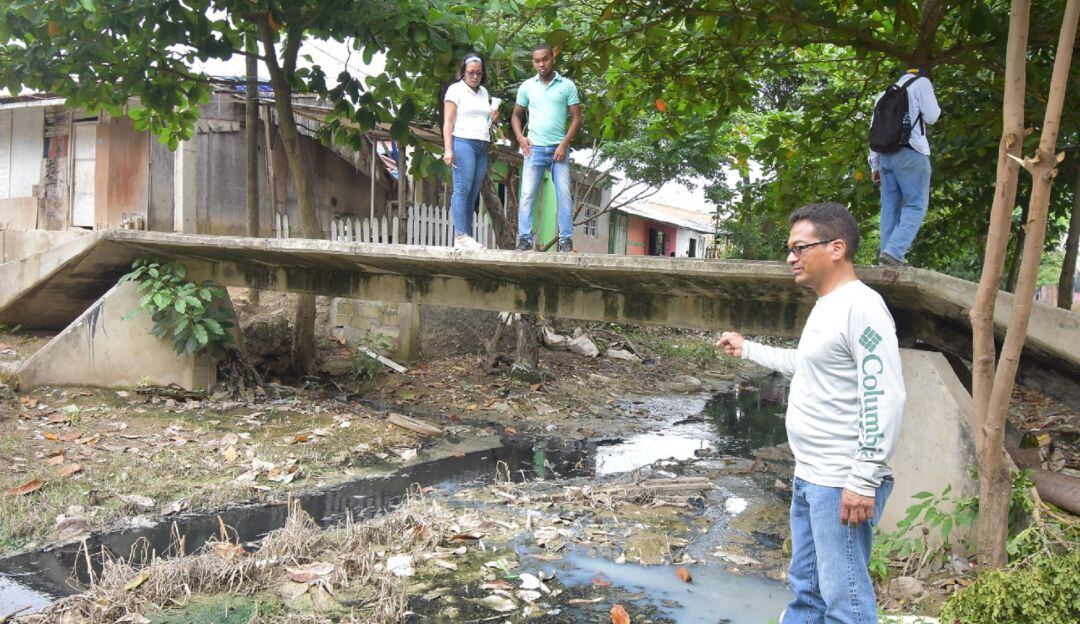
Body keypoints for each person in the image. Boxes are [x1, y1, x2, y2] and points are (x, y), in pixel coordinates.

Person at [717, 203, 905, 624]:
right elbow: (806, 364)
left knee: (846, 605)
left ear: (836, 248)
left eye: (799, 248)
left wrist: (863, 478)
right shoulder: (828, 305)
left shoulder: (863, 307)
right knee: (808, 594)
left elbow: (885, 395)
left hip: (840, 481)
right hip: (811, 475)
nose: (791, 258)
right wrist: (748, 349)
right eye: (790, 249)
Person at [511, 43, 582, 252]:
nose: (541, 64)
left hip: (558, 150)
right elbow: (516, 115)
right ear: (533, 62)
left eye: (545, 59)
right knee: (527, 195)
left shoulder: (567, 85)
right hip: (534, 149)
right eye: (537, 61)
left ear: (553, 59)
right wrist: (520, 138)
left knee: (564, 195)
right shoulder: (527, 86)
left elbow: (577, 118)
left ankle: (565, 240)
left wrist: (564, 144)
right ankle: (524, 239)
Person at [869, 66, 940, 266]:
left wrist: (874, 165)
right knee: (916, 205)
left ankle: (885, 260)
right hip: (911, 153)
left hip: (885, 157)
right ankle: (894, 252)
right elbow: (932, 117)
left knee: (889, 209)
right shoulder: (922, 83)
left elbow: (874, 131)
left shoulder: (883, 95)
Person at [443, 53, 499, 250]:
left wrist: (494, 117)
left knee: (473, 192)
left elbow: (485, 120)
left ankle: (466, 237)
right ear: (463, 72)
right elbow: (448, 121)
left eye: (479, 73)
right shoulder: (455, 90)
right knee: (462, 188)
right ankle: (461, 235)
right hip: (463, 141)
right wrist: (448, 149)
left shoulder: (483, 92)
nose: (475, 76)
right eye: (471, 72)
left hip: (481, 144)